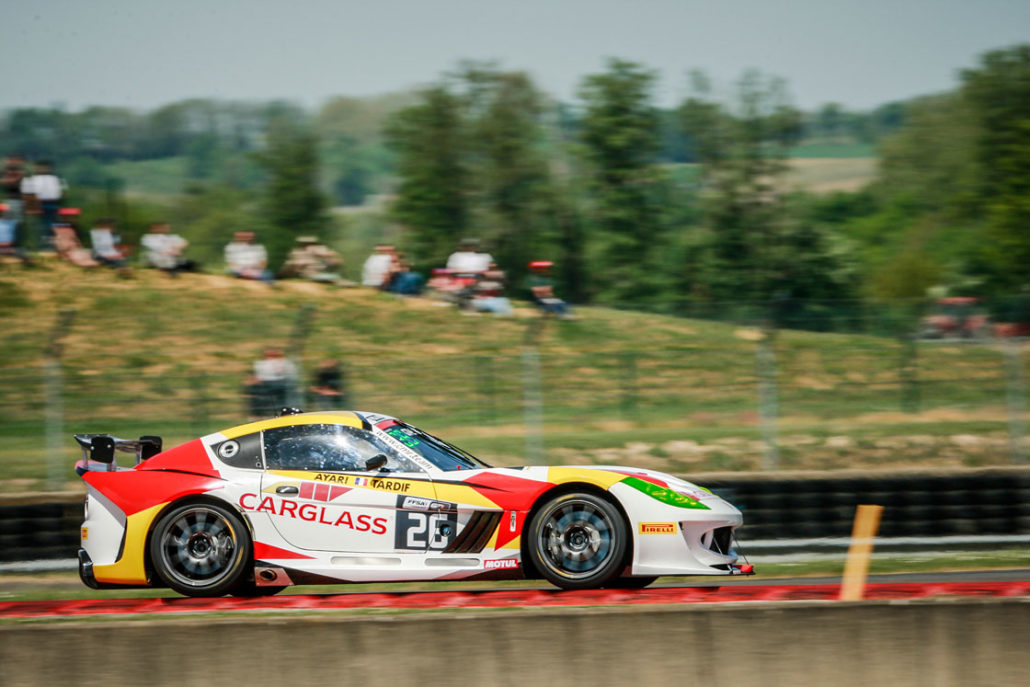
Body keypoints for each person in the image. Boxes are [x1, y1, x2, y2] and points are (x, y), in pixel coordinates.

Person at [21, 160, 65, 251]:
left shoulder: (56, 179)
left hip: (52, 204)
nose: (43, 169)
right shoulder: (30, 179)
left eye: (45, 167)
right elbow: (27, 194)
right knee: (36, 226)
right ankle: (35, 245)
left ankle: (50, 244)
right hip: (36, 205)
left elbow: (61, 193)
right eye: (40, 166)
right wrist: (33, 205)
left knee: (52, 225)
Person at [245, 347, 299, 418]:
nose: (273, 358)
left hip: (282, 385)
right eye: (270, 355)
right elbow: (259, 377)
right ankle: (259, 413)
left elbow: (292, 375)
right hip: (267, 385)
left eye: (275, 355)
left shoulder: (286, 363)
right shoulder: (261, 364)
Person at [279, 236, 343, 283]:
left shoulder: (296, 251)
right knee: (335, 277)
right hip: (311, 275)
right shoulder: (302, 252)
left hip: (310, 274)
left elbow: (333, 261)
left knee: (334, 276)